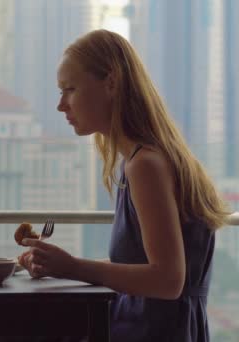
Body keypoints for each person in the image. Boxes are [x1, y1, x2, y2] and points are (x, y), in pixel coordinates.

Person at [18, 29, 229, 341]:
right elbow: (140, 268)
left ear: (112, 83)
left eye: (70, 89)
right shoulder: (141, 160)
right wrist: (58, 264)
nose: (61, 105)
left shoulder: (145, 165)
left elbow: (168, 280)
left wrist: (74, 267)